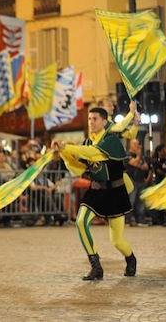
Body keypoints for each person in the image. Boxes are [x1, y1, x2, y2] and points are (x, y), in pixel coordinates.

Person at [51, 107, 136, 280]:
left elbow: (94, 154)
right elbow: (78, 169)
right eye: (89, 119)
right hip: (96, 191)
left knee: (117, 241)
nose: (91, 122)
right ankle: (96, 266)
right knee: (81, 221)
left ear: (104, 122)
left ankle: (131, 258)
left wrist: (66, 147)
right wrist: (64, 154)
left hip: (115, 192)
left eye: (95, 119)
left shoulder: (111, 139)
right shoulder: (87, 142)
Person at [124, 139, 151, 226]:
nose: (137, 145)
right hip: (132, 181)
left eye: (138, 143)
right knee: (130, 200)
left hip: (141, 180)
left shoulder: (141, 156)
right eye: (134, 144)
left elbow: (145, 167)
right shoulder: (127, 155)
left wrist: (139, 160)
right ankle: (127, 219)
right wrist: (138, 157)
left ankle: (140, 219)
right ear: (130, 145)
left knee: (140, 201)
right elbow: (134, 163)